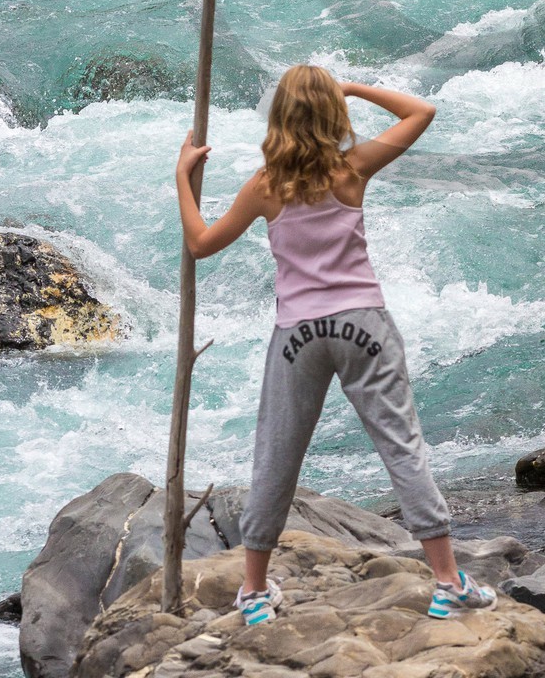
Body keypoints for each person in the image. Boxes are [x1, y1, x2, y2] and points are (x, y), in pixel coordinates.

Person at [175, 66, 498, 627]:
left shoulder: (263, 186)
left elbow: (201, 244)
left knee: (276, 454)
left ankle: (253, 592)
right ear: (331, 114)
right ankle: (448, 583)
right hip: (362, 326)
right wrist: (351, 88)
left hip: (297, 335)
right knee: (402, 447)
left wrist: (183, 177)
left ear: (277, 117)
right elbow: (422, 112)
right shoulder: (351, 168)